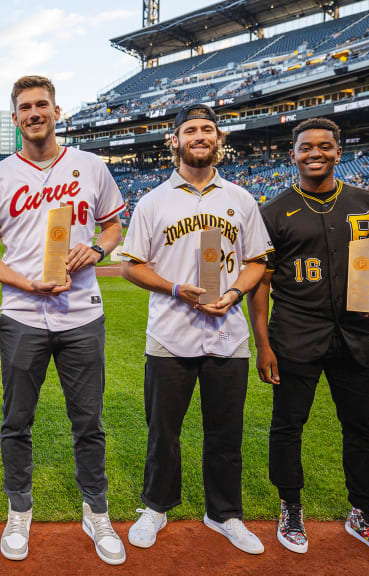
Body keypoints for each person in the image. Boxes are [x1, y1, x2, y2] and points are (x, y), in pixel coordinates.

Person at [0, 75, 126, 565]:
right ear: (14, 118)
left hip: (81, 314)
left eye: (42, 105)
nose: (34, 113)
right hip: (22, 315)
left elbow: (115, 224)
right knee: (16, 422)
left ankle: (96, 511)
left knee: (89, 422)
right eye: (25, 107)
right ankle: (20, 509)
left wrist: (97, 248)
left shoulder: (91, 166)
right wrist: (22, 282)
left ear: (57, 111)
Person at [248, 117, 369, 567]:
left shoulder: (368, 202)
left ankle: (363, 514)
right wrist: (262, 344)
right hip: (296, 334)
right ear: (293, 154)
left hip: (360, 336)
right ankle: (291, 508)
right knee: (288, 427)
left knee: (363, 429)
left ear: (339, 151)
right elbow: (260, 283)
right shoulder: (274, 211)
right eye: (305, 147)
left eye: (324, 146)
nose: (314, 153)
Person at [119, 104, 270, 556]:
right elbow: (131, 266)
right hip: (170, 333)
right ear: (175, 140)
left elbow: (257, 261)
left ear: (219, 140)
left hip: (228, 333)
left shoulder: (241, 199)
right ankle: (157, 507)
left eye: (207, 129)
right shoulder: (152, 202)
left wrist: (237, 293)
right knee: (162, 430)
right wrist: (174, 287)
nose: (199, 136)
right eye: (190, 130)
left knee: (226, 432)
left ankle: (223, 514)